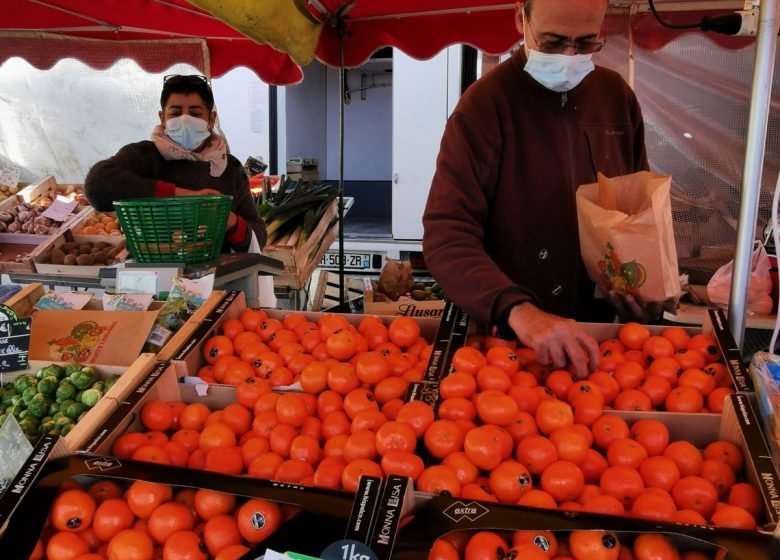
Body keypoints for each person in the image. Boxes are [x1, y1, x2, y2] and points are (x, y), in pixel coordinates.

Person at [423, 0, 652, 378]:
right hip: (507, 351)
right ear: (520, 17)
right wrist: (518, 310)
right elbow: (447, 235)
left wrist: (644, 287)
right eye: (553, 41)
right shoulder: (484, 107)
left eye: (585, 44)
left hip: (605, 349)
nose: (568, 56)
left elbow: (638, 211)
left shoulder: (616, 98)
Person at [85, 74, 265, 252]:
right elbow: (97, 185)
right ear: (163, 118)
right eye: (175, 113)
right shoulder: (144, 156)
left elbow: (259, 237)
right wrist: (179, 195)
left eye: (195, 113)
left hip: (216, 274)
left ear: (211, 119)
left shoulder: (230, 168)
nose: (185, 119)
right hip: (151, 273)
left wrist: (230, 221)